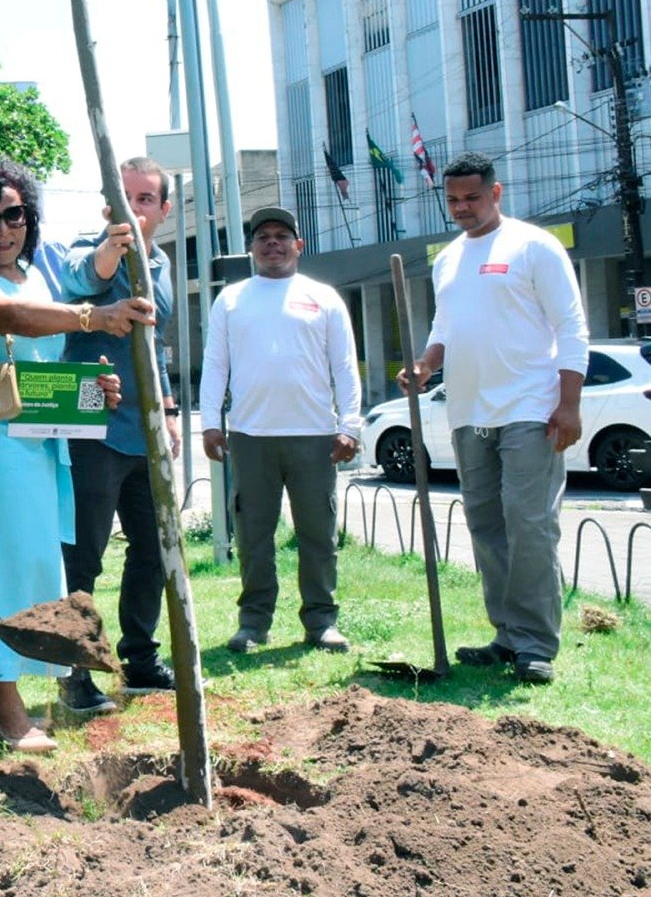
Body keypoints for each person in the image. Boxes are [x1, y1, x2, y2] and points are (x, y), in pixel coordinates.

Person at [0, 163, 152, 753]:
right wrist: (94, 316)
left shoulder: (35, 278)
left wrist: (92, 392)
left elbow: (38, 367)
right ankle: (6, 707)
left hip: (38, 445)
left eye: (14, 214)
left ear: (30, 219)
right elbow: (7, 320)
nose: (3, 228)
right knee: (5, 570)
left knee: (16, 564)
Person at [399, 152, 587, 685]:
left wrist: (568, 403)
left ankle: (534, 645)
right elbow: (446, 323)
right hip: (466, 411)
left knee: (528, 525)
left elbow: (572, 327)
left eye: (472, 198)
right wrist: (426, 364)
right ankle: (506, 635)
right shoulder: (448, 259)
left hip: (530, 407)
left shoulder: (534, 246)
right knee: (486, 526)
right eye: (453, 200)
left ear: (496, 193)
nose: (462, 208)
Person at [199, 206, 362, 655]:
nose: (272, 243)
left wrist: (350, 425)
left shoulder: (324, 297)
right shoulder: (230, 299)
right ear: (250, 248)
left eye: (281, 236)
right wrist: (211, 422)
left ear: (298, 245)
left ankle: (321, 622)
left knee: (317, 535)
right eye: (263, 237)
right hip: (251, 437)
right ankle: (253, 623)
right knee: (253, 538)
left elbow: (344, 367)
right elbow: (216, 365)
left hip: (315, 436)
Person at [56, 157, 182, 715]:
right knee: (84, 554)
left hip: (146, 432)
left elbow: (156, 349)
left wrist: (171, 410)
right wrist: (113, 246)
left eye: (146, 199)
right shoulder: (86, 248)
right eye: (123, 198)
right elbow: (88, 276)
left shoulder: (164, 264)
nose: (134, 208)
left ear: (164, 208)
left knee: (153, 549)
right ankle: (76, 669)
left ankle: (140, 658)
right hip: (93, 427)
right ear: (108, 205)